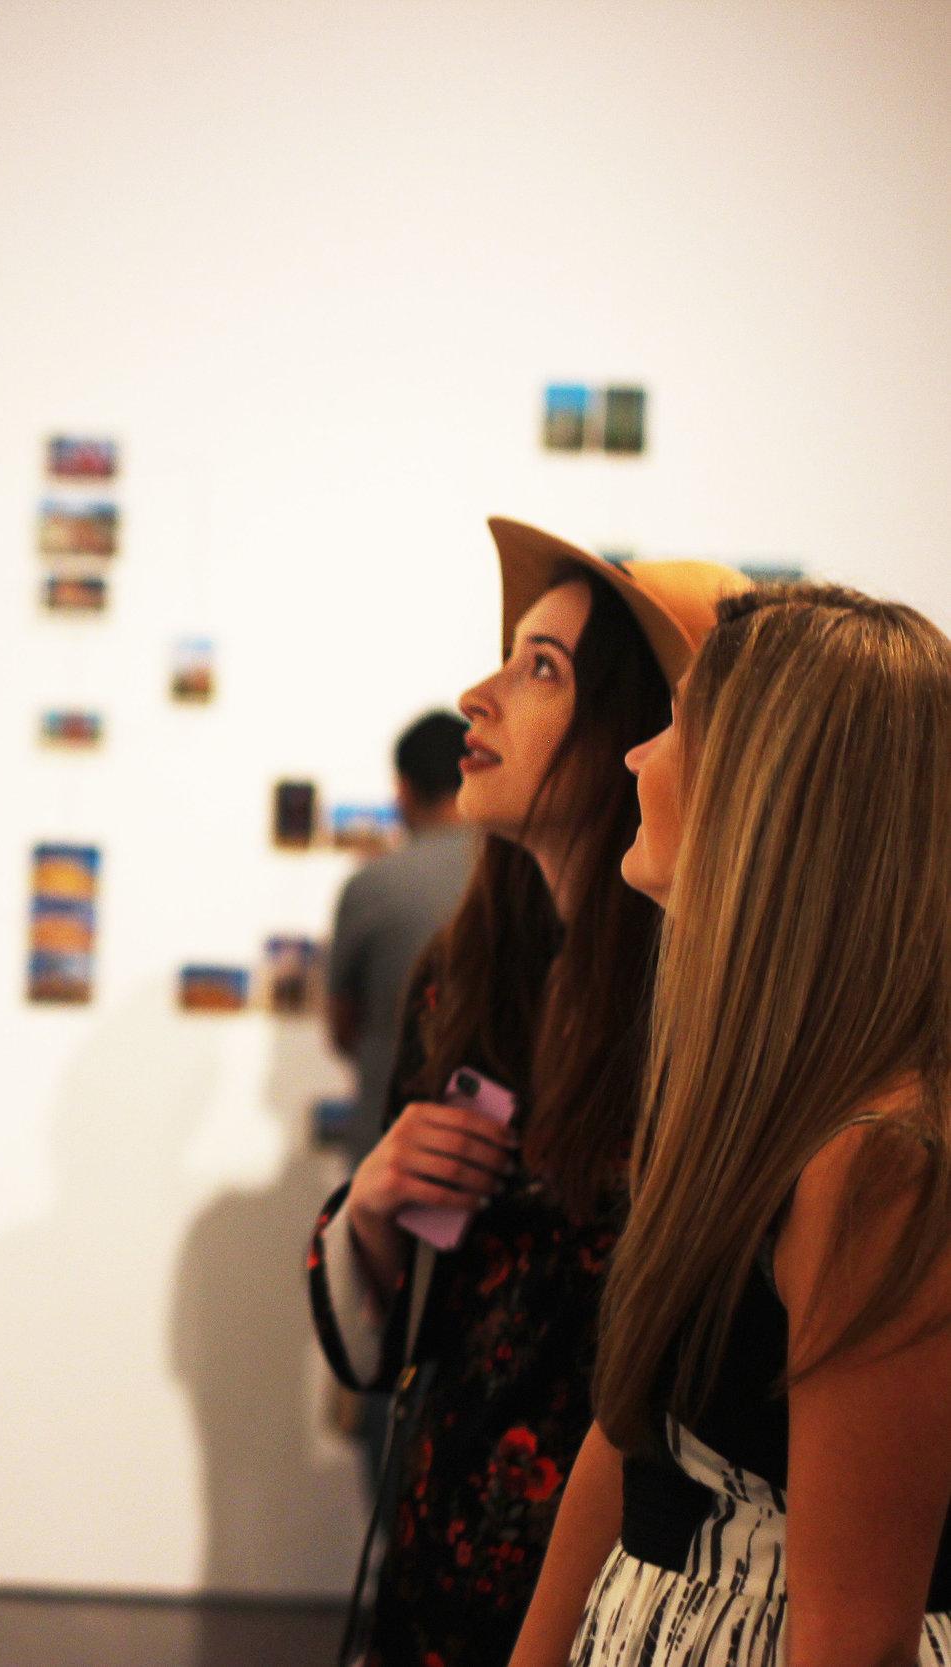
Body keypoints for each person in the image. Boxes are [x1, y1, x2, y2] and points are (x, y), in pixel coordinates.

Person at [304, 518, 746, 1667]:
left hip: (624, 1585)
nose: (476, 695)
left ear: (631, 736)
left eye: (539, 669)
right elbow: (396, 1303)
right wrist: (370, 1204)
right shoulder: (469, 966)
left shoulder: (703, 1005)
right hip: (439, 1541)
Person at [507, 585, 951, 1667]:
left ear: (767, 797)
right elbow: (626, 1438)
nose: (635, 758)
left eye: (675, 727)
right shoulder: (740, 1105)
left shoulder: (875, 1161)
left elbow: (853, 1634)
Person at [324, 711, 477, 1480]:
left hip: (389, 1155)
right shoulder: (514, 876)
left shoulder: (374, 883)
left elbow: (341, 1026)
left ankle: (390, 1554)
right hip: (491, 1160)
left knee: (384, 1341)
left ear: (404, 790)